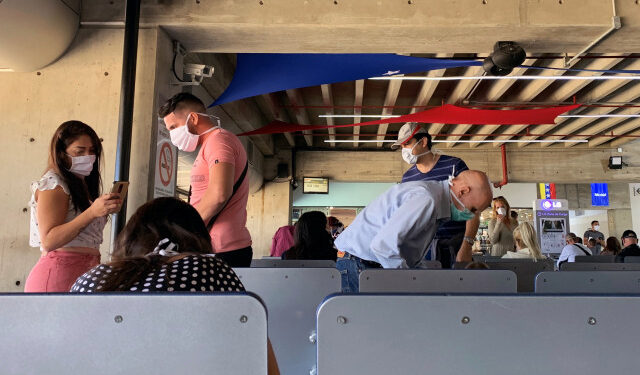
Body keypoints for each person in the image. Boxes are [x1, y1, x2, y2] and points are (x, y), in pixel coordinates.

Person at [71, 197, 280, 374]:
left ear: (131, 235)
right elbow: (257, 354)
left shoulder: (90, 279)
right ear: (197, 235)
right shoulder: (209, 269)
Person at [335, 170, 493, 292]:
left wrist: (423, 276)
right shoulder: (426, 199)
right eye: (473, 209)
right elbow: (383, 246)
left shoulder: (434, 200)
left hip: (365, 263)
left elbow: (407, 254)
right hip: (359, 265)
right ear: (463, 191)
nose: (470, 215)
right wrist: (410, 282)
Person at [24, 121, 122, 293]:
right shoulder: (54, 184)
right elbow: (49, 241)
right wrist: (92, 212)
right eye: (80, 151)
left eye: (92, 151)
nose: (88, 156)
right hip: (59, 273)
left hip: (85, 271)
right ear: (62, 154)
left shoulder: (81, 183)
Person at [159, 93, 252, 267]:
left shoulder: (219, 141)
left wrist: (186, 230)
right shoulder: (211, 143)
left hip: (222, 249)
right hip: (218, 246)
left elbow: (219, 195)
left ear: (193, 118)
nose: (172, 135)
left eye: (173, 127)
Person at [393, 123, 481, 267]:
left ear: (423, 142)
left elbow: (473, 208)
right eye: (401, 146)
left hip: (457, 244)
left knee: (460, 287)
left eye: (407, 143)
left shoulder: (454, 166)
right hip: (423, 249)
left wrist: (467, 245)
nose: (404, 150)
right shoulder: (407, 178)